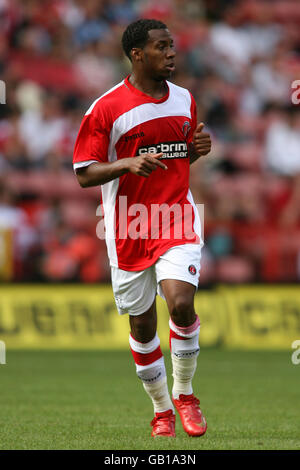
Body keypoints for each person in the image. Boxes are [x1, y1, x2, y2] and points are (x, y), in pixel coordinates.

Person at [73, 19, 211, 438]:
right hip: (128, 226)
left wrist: (194, 153)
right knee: (142, 326)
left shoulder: (185, 99)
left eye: (172, 46)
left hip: (175, 217)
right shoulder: (106, 108)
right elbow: (84, 173)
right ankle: (161, 410)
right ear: (137, 54)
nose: (171, 53)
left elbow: (174, 157)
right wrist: (125, 164)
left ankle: (185, 394)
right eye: (161, 47)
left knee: (181, 303)